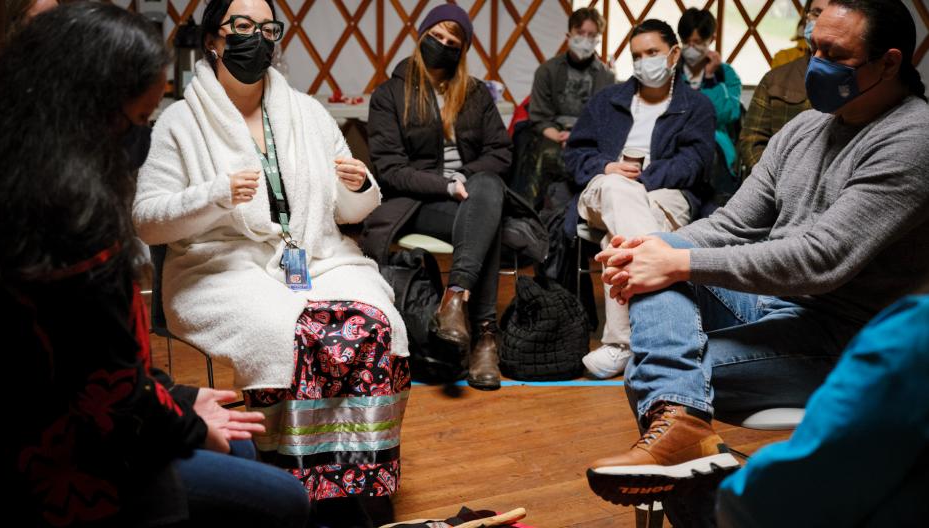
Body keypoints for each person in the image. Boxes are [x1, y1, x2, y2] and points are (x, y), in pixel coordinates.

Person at [586, 1, 929, 525]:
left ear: (888, 62)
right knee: (655, 261)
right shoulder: (804, 130)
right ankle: (683, 435)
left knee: (654, 371)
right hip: (771, 304)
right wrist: (647, 252)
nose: (817, 64)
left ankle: (702, 482)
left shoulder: (913, 138)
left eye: (835, 55)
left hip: (843, 338)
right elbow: (730, 225)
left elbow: (821, 259)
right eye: (815, 48)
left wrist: (677, 263)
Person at [0, 3, 309, 526]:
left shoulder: (27, 174)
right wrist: (187, 418)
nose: (142, 135)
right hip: (70, 460)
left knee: (241, 443)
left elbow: (99, 359)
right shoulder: (72, 229)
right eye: (140, 120)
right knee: (285, 500)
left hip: (92, 414)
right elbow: (105, 400)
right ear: (90, 110)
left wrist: (179, 395)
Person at [131, 0, 410, 523]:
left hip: (318, 258)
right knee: (297, 331)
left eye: (266, 27)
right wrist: (215, 195)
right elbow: (147, 219)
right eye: (241, 25)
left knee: (378, 323)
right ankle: (293, 475)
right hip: (221, 268)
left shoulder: (305, 112)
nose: (254, 37)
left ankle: (363, 476)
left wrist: (358, 185)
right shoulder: (179, 123)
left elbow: (346, 211)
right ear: (214, 38)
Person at [362, 4, 512, 391]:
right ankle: (485, 339)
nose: (443, 45)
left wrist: (464, 178)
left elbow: (501, 153)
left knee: (488, 189)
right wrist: (445, 186)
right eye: (437, 36)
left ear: (462, 50)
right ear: (422, 35)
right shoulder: (390, 95)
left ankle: (455, 302)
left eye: (453, 41)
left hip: (471, 194)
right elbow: (391, 169)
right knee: (488, 219)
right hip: (416, 203)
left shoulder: (475, 93)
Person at [564, 19, 715, 379]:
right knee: (618, 190)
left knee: (616, 239)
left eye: (653, 53)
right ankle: (667, 333)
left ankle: (621, 344)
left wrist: (644, 180)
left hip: (667, 195)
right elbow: (574, 154)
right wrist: (606, 165)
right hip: (604, 191)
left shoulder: (696, 107)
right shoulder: (607, 102)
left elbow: (694, 162)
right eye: (637, 55)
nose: (644, 61)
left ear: (674, 54)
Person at [716, 287, 929, 527]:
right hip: (791, 304)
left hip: (827, 331)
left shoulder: (916, 335)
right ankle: (681, 425)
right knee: (673, 262)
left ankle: (683, 427)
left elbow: (774, 501)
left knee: (675, 373)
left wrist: (720, 494)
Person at [513, 7, 615, 210]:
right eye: (580, 33)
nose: (585, 39)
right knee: (542, 155)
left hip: (588, 138)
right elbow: (539, 115)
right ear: (569, 35)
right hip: (551, 135)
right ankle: (525, 213)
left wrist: (577, 136)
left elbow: (607, 119)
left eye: (591, 35)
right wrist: (558, 136)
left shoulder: (607, 76)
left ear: (598, 39)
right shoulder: (547, 71)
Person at [738, 0, 826, 178]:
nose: (820, 21)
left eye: (828, 14)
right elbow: (751, 140)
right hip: (774, 183)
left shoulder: (858, 81)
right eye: (816, 13)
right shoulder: (775, 80)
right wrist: (774, 180)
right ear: (805, 17)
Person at [677, 8, 742, 187]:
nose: (690, 48)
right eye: (686, 42)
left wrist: (709, 78)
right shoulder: (672, 72)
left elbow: (726, 115)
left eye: (697, 42)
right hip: (676, 141)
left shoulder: (726, 74)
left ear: (711, 39)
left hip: (716, 145)